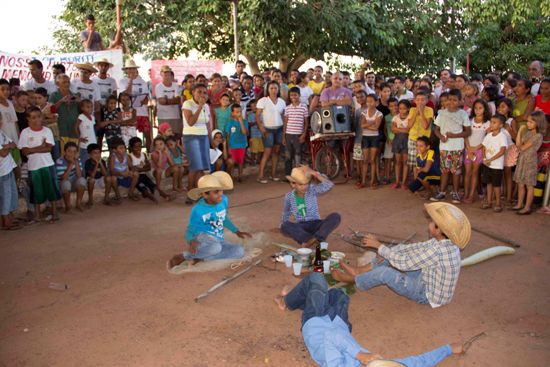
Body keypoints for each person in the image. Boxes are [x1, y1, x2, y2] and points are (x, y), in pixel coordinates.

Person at [274, 273, 466, 367]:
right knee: (340, 295)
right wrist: (449, 349)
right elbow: (416, 362)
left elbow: (332, 337)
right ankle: (307, 299)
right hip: (339, 324)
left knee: (316, 278)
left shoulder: (337, 364)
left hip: (315, 322)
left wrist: (361, 355)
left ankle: (287, 301)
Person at [333, 202, 470, 308]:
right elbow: (414, 248)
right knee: (393, 254)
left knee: (385, 273)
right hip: (426, 278)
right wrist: (384, 248)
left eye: (432, 222)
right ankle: (358, 271)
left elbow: (404, 264)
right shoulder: (443, 242)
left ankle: (353, 279)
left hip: (427, 295)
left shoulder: (439, 250)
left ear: (439, 229)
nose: (429, 223)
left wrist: (379, 246)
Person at [168, 172, 251, 268]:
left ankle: (203, 258)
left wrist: (236, 231)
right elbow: (191, 228)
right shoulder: (198, 209)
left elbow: (223, 218)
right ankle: (185, 256)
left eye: (221, 190)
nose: (220, 194)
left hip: (218, 239)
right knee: (216, 248)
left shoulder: (223, 200)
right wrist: (191, 241)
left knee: (239, 251)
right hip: (202, 237)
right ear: (205, 195)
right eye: (216, 192)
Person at [17, 107, 61, 222]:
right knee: (36, 191)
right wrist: (41, 147)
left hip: (47, 165)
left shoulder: (47, 131)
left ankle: (55, 213)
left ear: (42, 116)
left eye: (39, 116)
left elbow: (48, 149)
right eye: (33, 117)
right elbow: (25, 151)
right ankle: (37, 215)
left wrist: (33, 149)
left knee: (51, 189)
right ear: (28, 119)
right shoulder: (25, 132)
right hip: (33, 167)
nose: (37, 120)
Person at [280, 166, 341, 248]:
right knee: (285, 226)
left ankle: (313, 239)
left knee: (336, 216)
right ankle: (314, 239)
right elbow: (286, 212)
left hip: (316, 224)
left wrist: (313, 172)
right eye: (301, 184)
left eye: (306, 184)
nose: (304, 187)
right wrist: (283, 228)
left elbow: (329, 185)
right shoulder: (289, 196)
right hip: (302, 227)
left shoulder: (312, 190)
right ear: (293, 184)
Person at [432, 89, 471, 203]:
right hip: (444, 147)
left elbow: (468, 132)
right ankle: (442, 192)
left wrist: (454, 135)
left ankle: (455, 193)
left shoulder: (462, 114)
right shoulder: (441, 113)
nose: (451, 102)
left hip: (457, 147)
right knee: (444, 170)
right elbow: (436, 129)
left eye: (455, 100)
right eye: (449, 100)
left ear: (460, 101)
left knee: (456, 171)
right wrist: (441, 137)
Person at [182, 83, 212, 203]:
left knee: (202, 168)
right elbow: (190, 122)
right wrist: (199, 107)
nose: (202, 95)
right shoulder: (187, 104)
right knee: (194, 167)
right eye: (199, 92)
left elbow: (207, 124)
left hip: (203, 136)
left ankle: (198, 193)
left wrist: (210, 140)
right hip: (191, 136)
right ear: (193, 92)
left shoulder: (207, 106)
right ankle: (190, 194)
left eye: (204, 92)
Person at [512, 111, 546, 215]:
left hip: (530, 162)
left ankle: (527, 207)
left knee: (529, 185)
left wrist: (520, 146)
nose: (528, 124)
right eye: (528, 121)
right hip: (522, 160)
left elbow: (522, 147)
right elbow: (518, 144)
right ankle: (519, 204)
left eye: (531, 122)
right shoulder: (528, 133)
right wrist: (520, 131)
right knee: (520, 183)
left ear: (538, 123)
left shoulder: (538, 136)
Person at [256, 81, 286, 183]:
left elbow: (283, 116)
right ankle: (260, 176)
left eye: (275, 88)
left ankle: (273, 174)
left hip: (279, 129)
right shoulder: (263, 101)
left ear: (278, 90)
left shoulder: (282, 102)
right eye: (271, 88)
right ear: (267, 89)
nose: (273, 90)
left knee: (276, 152)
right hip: (268, 129)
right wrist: (260, 126)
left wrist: (284, 130)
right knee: (267, 152)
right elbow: (257, 115)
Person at [119, 60, 151, 151]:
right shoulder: (123, 81)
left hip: (142, 112)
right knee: (128, 137)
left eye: (133, 68)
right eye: (129, 69)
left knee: (148, 135)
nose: (131, 70)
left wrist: (144, 100)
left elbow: (146, 96)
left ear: (136, 69)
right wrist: (131, 81)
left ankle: (148, 155)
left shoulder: (142, 81)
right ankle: (129, 157)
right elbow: (125, 95)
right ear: (126, 70)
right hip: (129, 113)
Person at [463, 99, 491, 204]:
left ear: (485, 109)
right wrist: (469, 148)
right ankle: (466, 193)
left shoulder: (487, 123)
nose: (477, 110)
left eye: (480, 108)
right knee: (467, 173)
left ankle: (471, 195)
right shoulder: (469, 120)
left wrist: (476, 148)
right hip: (468, 149)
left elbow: (487, 138)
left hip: (479, 150)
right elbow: (466, 135)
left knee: (475, 173)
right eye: (475, 108)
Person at [480, 114, 508, 212]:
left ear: (501, 125)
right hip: (487, 164)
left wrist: (490, 160)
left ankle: (498, 203)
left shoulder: (502, 136)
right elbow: (484, 147)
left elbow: (502, 151)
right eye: (491, 122)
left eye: (494, 122)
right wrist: (484, 159)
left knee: (496, 185)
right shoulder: (488, 135)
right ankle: (489, 201)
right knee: (488, 183)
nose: (491, 124)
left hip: (496, 166)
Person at [358, 94, 383, 189]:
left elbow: (376, 127)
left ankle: (373, 181)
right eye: (367, 101)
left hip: (374, 138)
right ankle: (363, 181)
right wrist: (372, 122)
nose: (369, 103)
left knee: (372, 160)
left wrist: (367, 124)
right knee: (365, 160)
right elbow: (362, 126)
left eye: (371, 101)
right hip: (365, 137)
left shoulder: (379, 114)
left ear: (376, 102)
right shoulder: (364, 112)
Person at [49, 74, 80, 151]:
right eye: (64, 82)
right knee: (63, 151)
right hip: (61, 128)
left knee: (74, 151)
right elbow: (50, 110)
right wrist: (61, 101)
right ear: (57, 84)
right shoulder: (54, 95)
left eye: (68, 82)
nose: (67, 84)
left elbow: (81, 110)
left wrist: (79, 101)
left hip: (74, 128)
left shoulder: (75, 95)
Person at [0, 113, 20, 230]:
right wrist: (8, 147)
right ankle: (6, 221)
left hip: (7, 167)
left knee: (11, 193)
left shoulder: (1, 133)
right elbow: (3, 153)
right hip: (2, 170)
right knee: (6, 195)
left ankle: (10, 217)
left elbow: (13, 144)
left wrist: (6, 146)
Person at [283, 87, 309, 177]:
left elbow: (306, 122)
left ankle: (298, 176)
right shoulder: (287, 108)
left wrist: (304, 134)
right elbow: (285, 123)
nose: (293, 97)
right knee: (288, 156)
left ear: (299, 95)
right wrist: (283, 136)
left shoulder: (304, 107)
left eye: (295, 95)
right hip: (288, 135)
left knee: (298, 156)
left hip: (298, 135)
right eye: (291, 95)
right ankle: (288, 176)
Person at [406, 91, 434, 172]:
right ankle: (416, 181)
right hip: (413, 139)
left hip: (424, 141)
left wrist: (421, 111)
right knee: (415, 164)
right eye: (418, 100)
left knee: (423, 163)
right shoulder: (412, 110)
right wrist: (416, 112)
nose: (420, 102)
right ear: (414, 101)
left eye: (422, 100)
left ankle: (422, 181)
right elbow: (410, 125)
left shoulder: (429, 110)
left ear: (427, 101)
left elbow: (426, 126)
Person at [56, 142, 87, 212]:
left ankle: (78, 204)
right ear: (65, 152)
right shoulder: (59, 161)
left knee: (82, 180)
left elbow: (79, 176)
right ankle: (68, 206)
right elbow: (64, 178)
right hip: (62, 186)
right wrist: (71, 164)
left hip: (72, 183)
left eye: (74, 152)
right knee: (66, 183)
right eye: (69, 151)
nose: (72, 153)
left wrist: (75, 161)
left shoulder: (77, 160)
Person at [128, 137, 158, 203]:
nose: (138, 148)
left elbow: (149, 167)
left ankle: (152, 195)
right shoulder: (130, 156)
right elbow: (133, 169)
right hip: (136, 177)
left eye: (140, 146)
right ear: (131, 148)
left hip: (144, 176)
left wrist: (139, 169)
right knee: (143, 188)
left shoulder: (143, 155)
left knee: (153, 186)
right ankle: (151, 198)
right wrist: (143, 168)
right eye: (136, 147)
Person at [155, 65, 183, 136]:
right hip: (163, 116)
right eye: (165, 74)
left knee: (176, 136)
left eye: (169, 73)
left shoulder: (176, 86)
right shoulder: (158, 87)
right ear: (161, 74)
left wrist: (167, 100)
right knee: (163, 136)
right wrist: (173, 100)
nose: (167, 76)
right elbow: (161, 102)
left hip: (175, 116)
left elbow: (178, 100)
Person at [224, 104, 248, 182]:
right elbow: (227, 136)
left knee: (240, 161)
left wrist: (241, 122)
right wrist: (228, 148)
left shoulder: (244, 121)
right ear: (232, 113)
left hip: (242, 145)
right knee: (232, 161)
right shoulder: (230, 123)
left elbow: (244, 132)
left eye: (240, 112)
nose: (239, 114)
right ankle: (229, 177)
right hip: (233, 145)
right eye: (237, 112)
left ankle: (240, 176)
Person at [0, 79, 21, 164]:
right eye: (2, 89)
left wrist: (19, 138)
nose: (6, 91)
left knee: (17, 164)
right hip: (4, 144)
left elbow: (15, 122)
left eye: (8, 89)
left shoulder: (10, 103)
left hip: (14, 140)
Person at [391, 99, 411, 189]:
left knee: (405, 162)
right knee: (398, 162)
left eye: (404, 108)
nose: (402, 110)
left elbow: (409, 131)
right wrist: (404, 130)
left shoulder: (410, 117)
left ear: (408, 109)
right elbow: (393, 130)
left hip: (407, 141)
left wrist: (398, 129)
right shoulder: (395, 117)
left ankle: (404, 182)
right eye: (400, 108)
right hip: (397, 141)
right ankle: (397, 181)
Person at [75, 99, 97, 163]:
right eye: (87, 107)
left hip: (93, 142)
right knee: (84, 161)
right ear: (82, 108)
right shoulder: (81, 116)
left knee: (92, 161)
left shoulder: (92, 117)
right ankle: (83, 173)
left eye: (91, 106)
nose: (90, 108)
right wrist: (79, 138)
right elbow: (75, 127)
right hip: (85, 144)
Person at [247, 99, 263, 165]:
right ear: (251, 108)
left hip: (261, 135)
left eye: (256, 105)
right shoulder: (250, 115)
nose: (255, 107)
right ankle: (252, 160)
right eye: (253, 106)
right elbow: (249, 124)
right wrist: (256, 122)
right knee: (253, 150)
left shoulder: (262, 114)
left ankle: (258, 160)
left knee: (261, 149)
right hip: (254, 135)